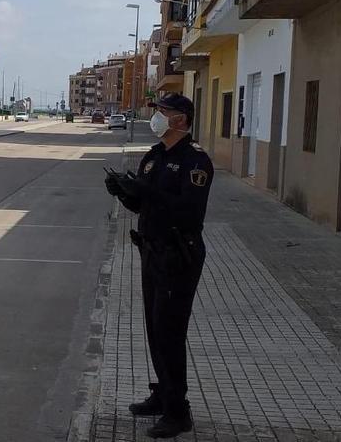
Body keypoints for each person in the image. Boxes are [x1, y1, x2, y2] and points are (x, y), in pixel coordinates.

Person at [104, 93, 213, 438]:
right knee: (155, 328)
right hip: (152, 252)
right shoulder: (154, 157)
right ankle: (163, 394)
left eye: (163, 112)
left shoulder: (195, 161)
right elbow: (142, 204)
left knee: (169, 332)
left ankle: (178, 411)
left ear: (181, 119)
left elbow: (189, 212)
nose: (158, 117)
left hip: (179, 254)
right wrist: (123, 192)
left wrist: (147, 194)